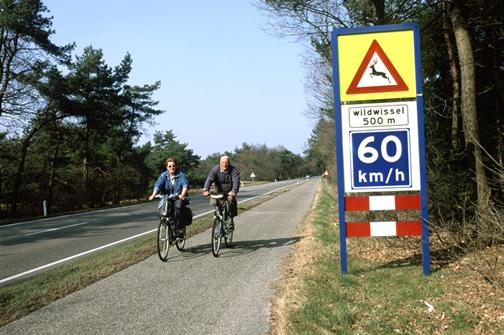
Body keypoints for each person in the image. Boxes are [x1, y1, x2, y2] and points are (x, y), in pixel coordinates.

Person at [149, 157, 189, 237]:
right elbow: (158, 185)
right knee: (161, 211)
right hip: (166, 198)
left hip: (178, 197)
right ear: (167, 167)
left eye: (173, 166)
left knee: (178, 209)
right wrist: (153, 195)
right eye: (169, 166)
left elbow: (185, 185)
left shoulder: (180, 175)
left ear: (176, 166)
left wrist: (182, 195)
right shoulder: (164, 175)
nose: (172, 168)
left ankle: (179, 229)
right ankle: (167, 228)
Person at [202, 155, 240, 230]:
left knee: (230, 201)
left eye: (226, 162)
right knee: (213, 202)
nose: (224, 164)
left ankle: (229, 220)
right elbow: (209, 180)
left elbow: (236, 181)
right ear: (220, 163)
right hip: (218, 193)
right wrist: (205, 189)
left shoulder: (233, 170)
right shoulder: (215, 170)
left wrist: (234, 191)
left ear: (229, 163)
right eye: (223, 162)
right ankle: (217, 216)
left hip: (229, 192)